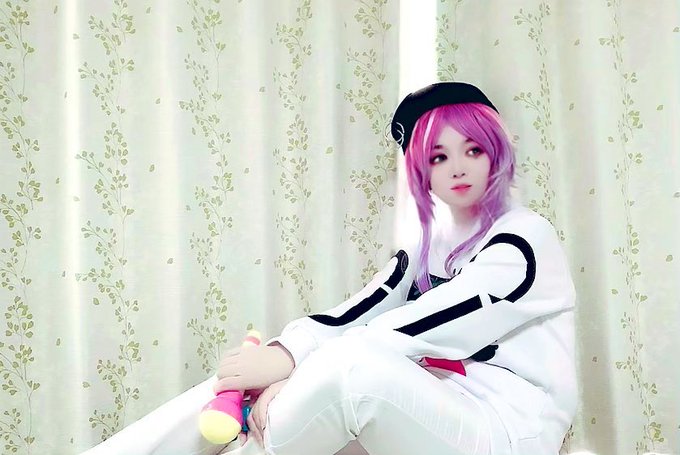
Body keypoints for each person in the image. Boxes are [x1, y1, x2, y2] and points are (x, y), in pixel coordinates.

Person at [82, 82, 576, 455]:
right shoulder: (426, 247)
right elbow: (356, 311)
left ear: (497, 148)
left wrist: (296, 376)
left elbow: (421, 325)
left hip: (505, 429)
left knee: (353, 369)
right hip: (434, 409)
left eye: (473, 149)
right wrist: (283, 354)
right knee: (236, 388)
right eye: (438, 156)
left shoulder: (523, 239)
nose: (458, 167)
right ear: (420, 172)